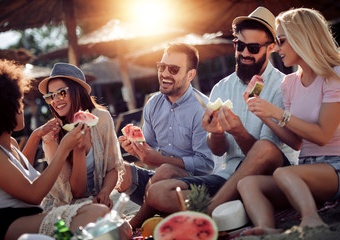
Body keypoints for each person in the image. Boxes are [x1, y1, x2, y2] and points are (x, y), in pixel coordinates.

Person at [145, 7, 297, 216]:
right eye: (240, 45)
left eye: (253, 48)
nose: (244, 53)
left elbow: (266, 155)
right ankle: (230, 204)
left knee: (264, 147)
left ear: (270, 47)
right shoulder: (222, 88)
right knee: (158, 193)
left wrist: (239, 131)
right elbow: (218, 151)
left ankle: (212, 209)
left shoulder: (283, 86)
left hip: (272, 176)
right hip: (228, 176)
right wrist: (215, 132)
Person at [237, 8, 340, 235]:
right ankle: (267, 228)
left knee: (284, 173)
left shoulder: (334, 76)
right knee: (247, 183)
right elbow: (296, 143)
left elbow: (322, 135)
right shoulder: (289, 83)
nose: (278, 49)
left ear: (302, 38)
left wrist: (277, 112)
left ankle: (312, 220)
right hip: (306, 171)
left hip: (335, 167)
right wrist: (264, 112)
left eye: (282, 41)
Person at [0, 59, 110, 240]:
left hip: (27, 218)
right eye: (19, 100)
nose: (22, 106)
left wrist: (35, 136)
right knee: (98, 216)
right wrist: (64, 148)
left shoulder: (9, 144)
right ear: (4, 106)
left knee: (104, 216)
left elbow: (17, 177)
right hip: (3, 226)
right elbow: (33, 194)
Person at [116, 43, 214, 227]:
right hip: (158, 183)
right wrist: (135, 148)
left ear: (190, 75)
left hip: (194, 186)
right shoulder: (153, 104)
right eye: (162, 67)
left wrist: (160, 160)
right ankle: (158, 211)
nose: (165, 73)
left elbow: (206, 165)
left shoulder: (202, 109)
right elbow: (149, 150)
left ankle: (136, 222)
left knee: (166, 169)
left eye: (174, 69)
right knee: (119, 170)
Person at [37, 62, 125, 211]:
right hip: (66, 207)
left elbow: (113, 167)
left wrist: (104, 193)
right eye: (50, 97)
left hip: (98, 202)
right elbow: (75, 193)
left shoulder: (101, 118)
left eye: (61, 92)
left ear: (76, 91)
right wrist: (78, 150)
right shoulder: (52, 135)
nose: (56, 100)